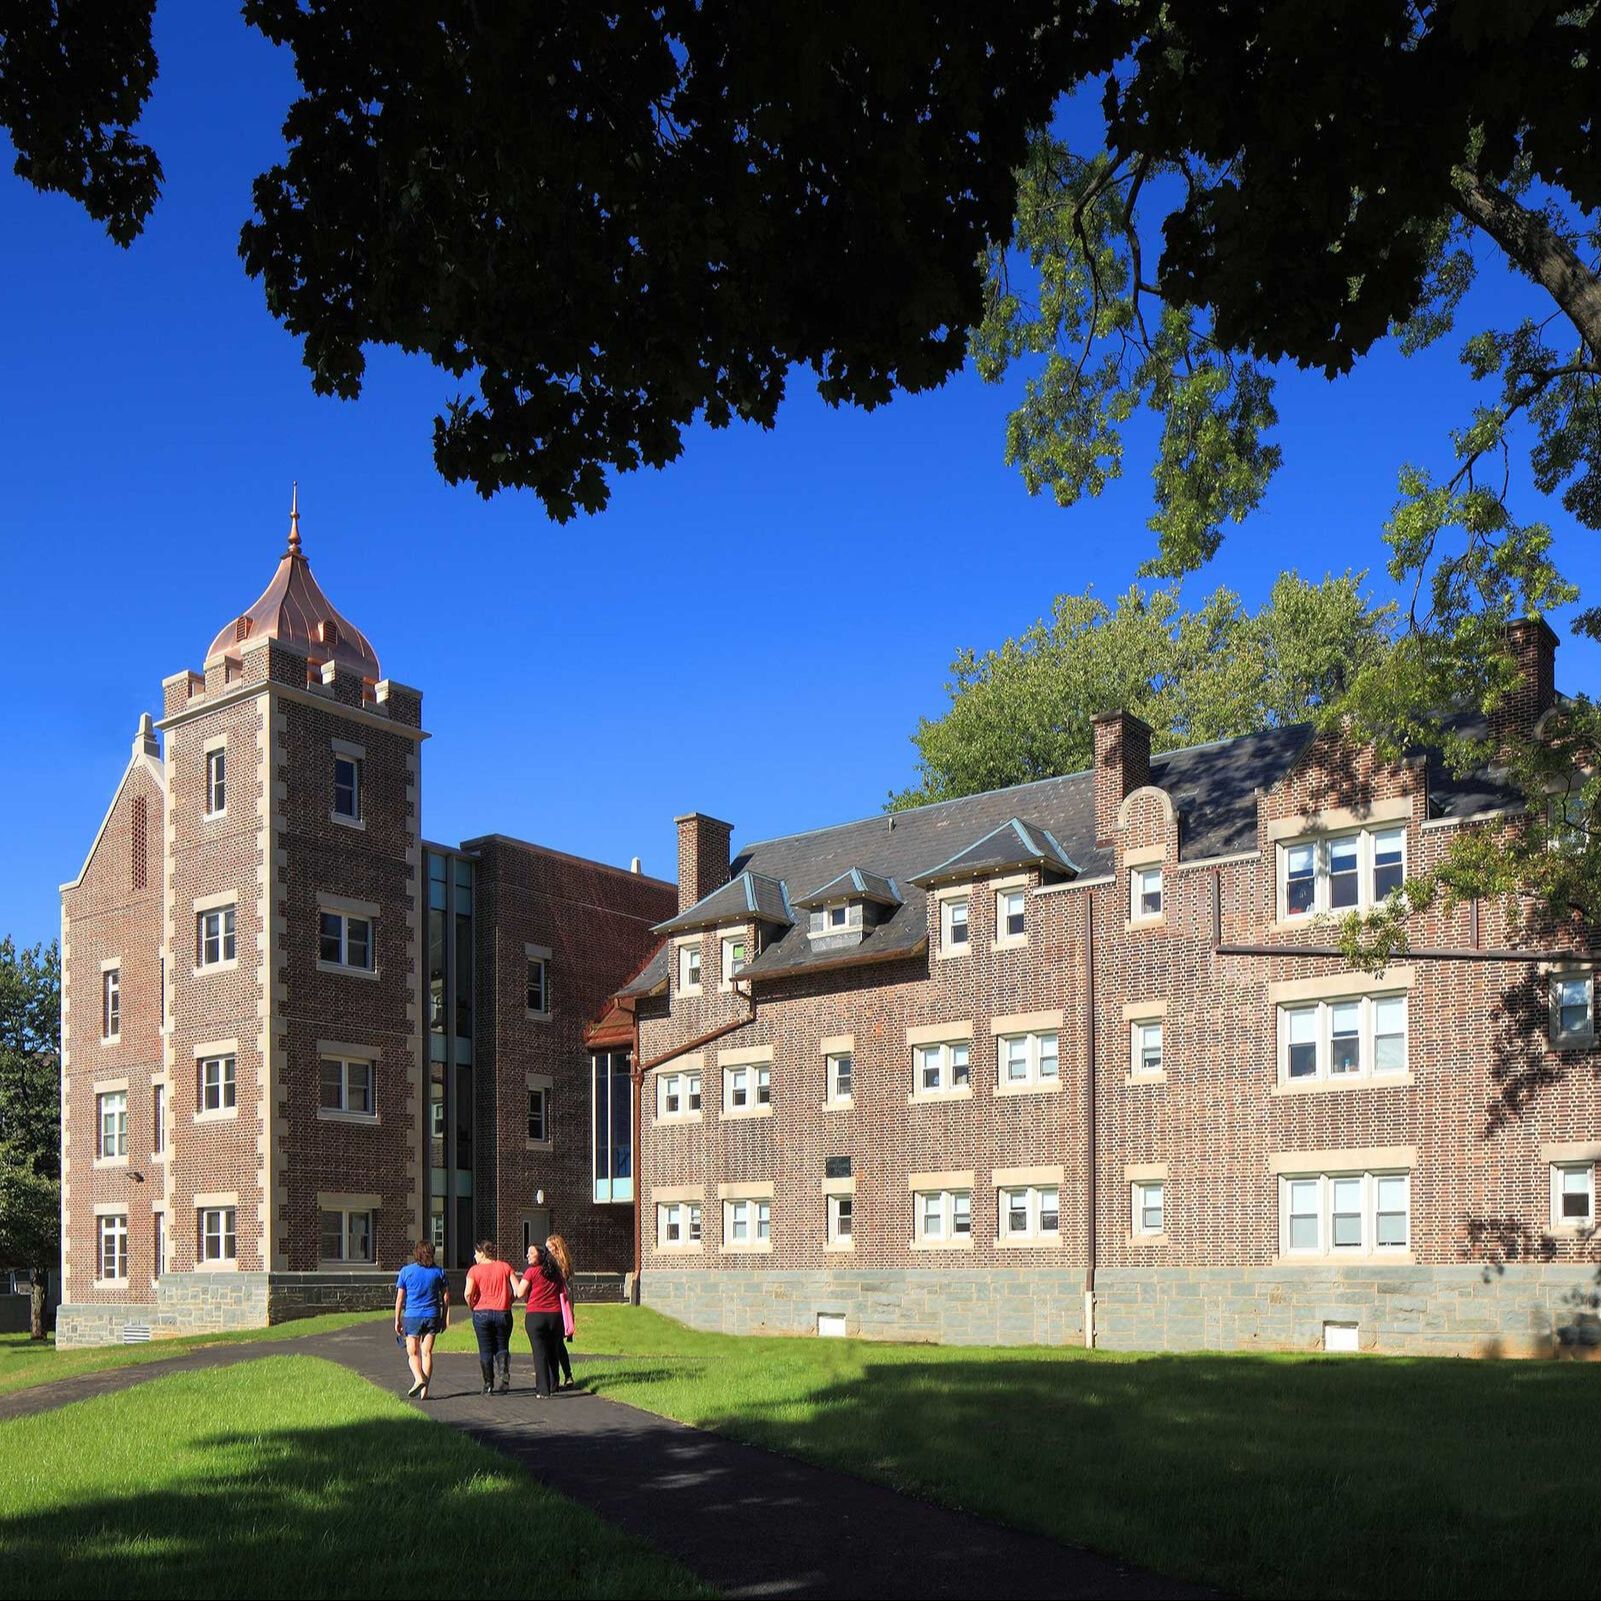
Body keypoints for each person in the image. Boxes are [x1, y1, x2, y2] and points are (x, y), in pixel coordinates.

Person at [394, 1239, 450, 1400]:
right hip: (432, 1315)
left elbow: (400, 1299)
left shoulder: (406, 1271)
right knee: (427, 1353)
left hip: (412, 1316)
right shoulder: (439, 1272)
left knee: (412, 1353)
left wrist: (397, 1319)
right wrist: (444, 1317)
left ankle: (419, 1379)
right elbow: (446, 1297)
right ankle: (425, 1391)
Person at [513, 1242, 565, 1397]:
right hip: (555, 1316)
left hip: (536, 1316)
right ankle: (554, 1383)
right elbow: (563, 1291)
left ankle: (543, 1390)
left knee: (539, 1353)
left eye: (531, 1253)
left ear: (540, 1256)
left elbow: (520, 1293)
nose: (527, 1255)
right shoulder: (556, 1272)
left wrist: (513, 1281)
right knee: (552, 1351)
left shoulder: (531, 1272)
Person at [464, 1239, 515, 1395]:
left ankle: (488, 1384)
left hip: (481, 1312)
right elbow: (516, 1289)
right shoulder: (505, 1267)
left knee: (485, 1349)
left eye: (475, 1252)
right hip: (502, 1312)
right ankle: (503, 1372)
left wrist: (472, 1305)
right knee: (502, 1345)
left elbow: (467, 1293)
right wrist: (509, 1301)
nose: (474, 1256)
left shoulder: (474, 1270)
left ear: (482, 1252)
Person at [545, 1234, 577, 1389]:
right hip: (564, 1302)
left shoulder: (558, 1264)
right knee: (558, 1343)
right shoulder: (566, 1263)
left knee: (556, 1343)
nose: (549, 1251)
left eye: (551, 1248)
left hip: (559, 1303)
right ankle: (566, 1375)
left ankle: (559, 1377)